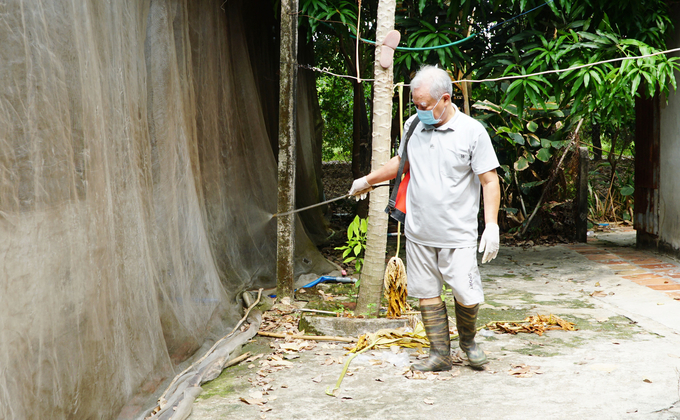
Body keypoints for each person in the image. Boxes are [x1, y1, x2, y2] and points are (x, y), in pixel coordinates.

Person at [348, 65, 501, 372]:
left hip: (457, 233)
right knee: (427, 294)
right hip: (418, 229)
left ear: (445, 99)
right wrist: (368, 180)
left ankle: (468, 343)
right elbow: (401, 162)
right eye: (415, 105)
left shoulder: (472, 132)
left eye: (424, 106)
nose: (419, 111)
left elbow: (489, 180)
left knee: (467, 294)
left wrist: (492, 225)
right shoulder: (414, 125)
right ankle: (439, 354)